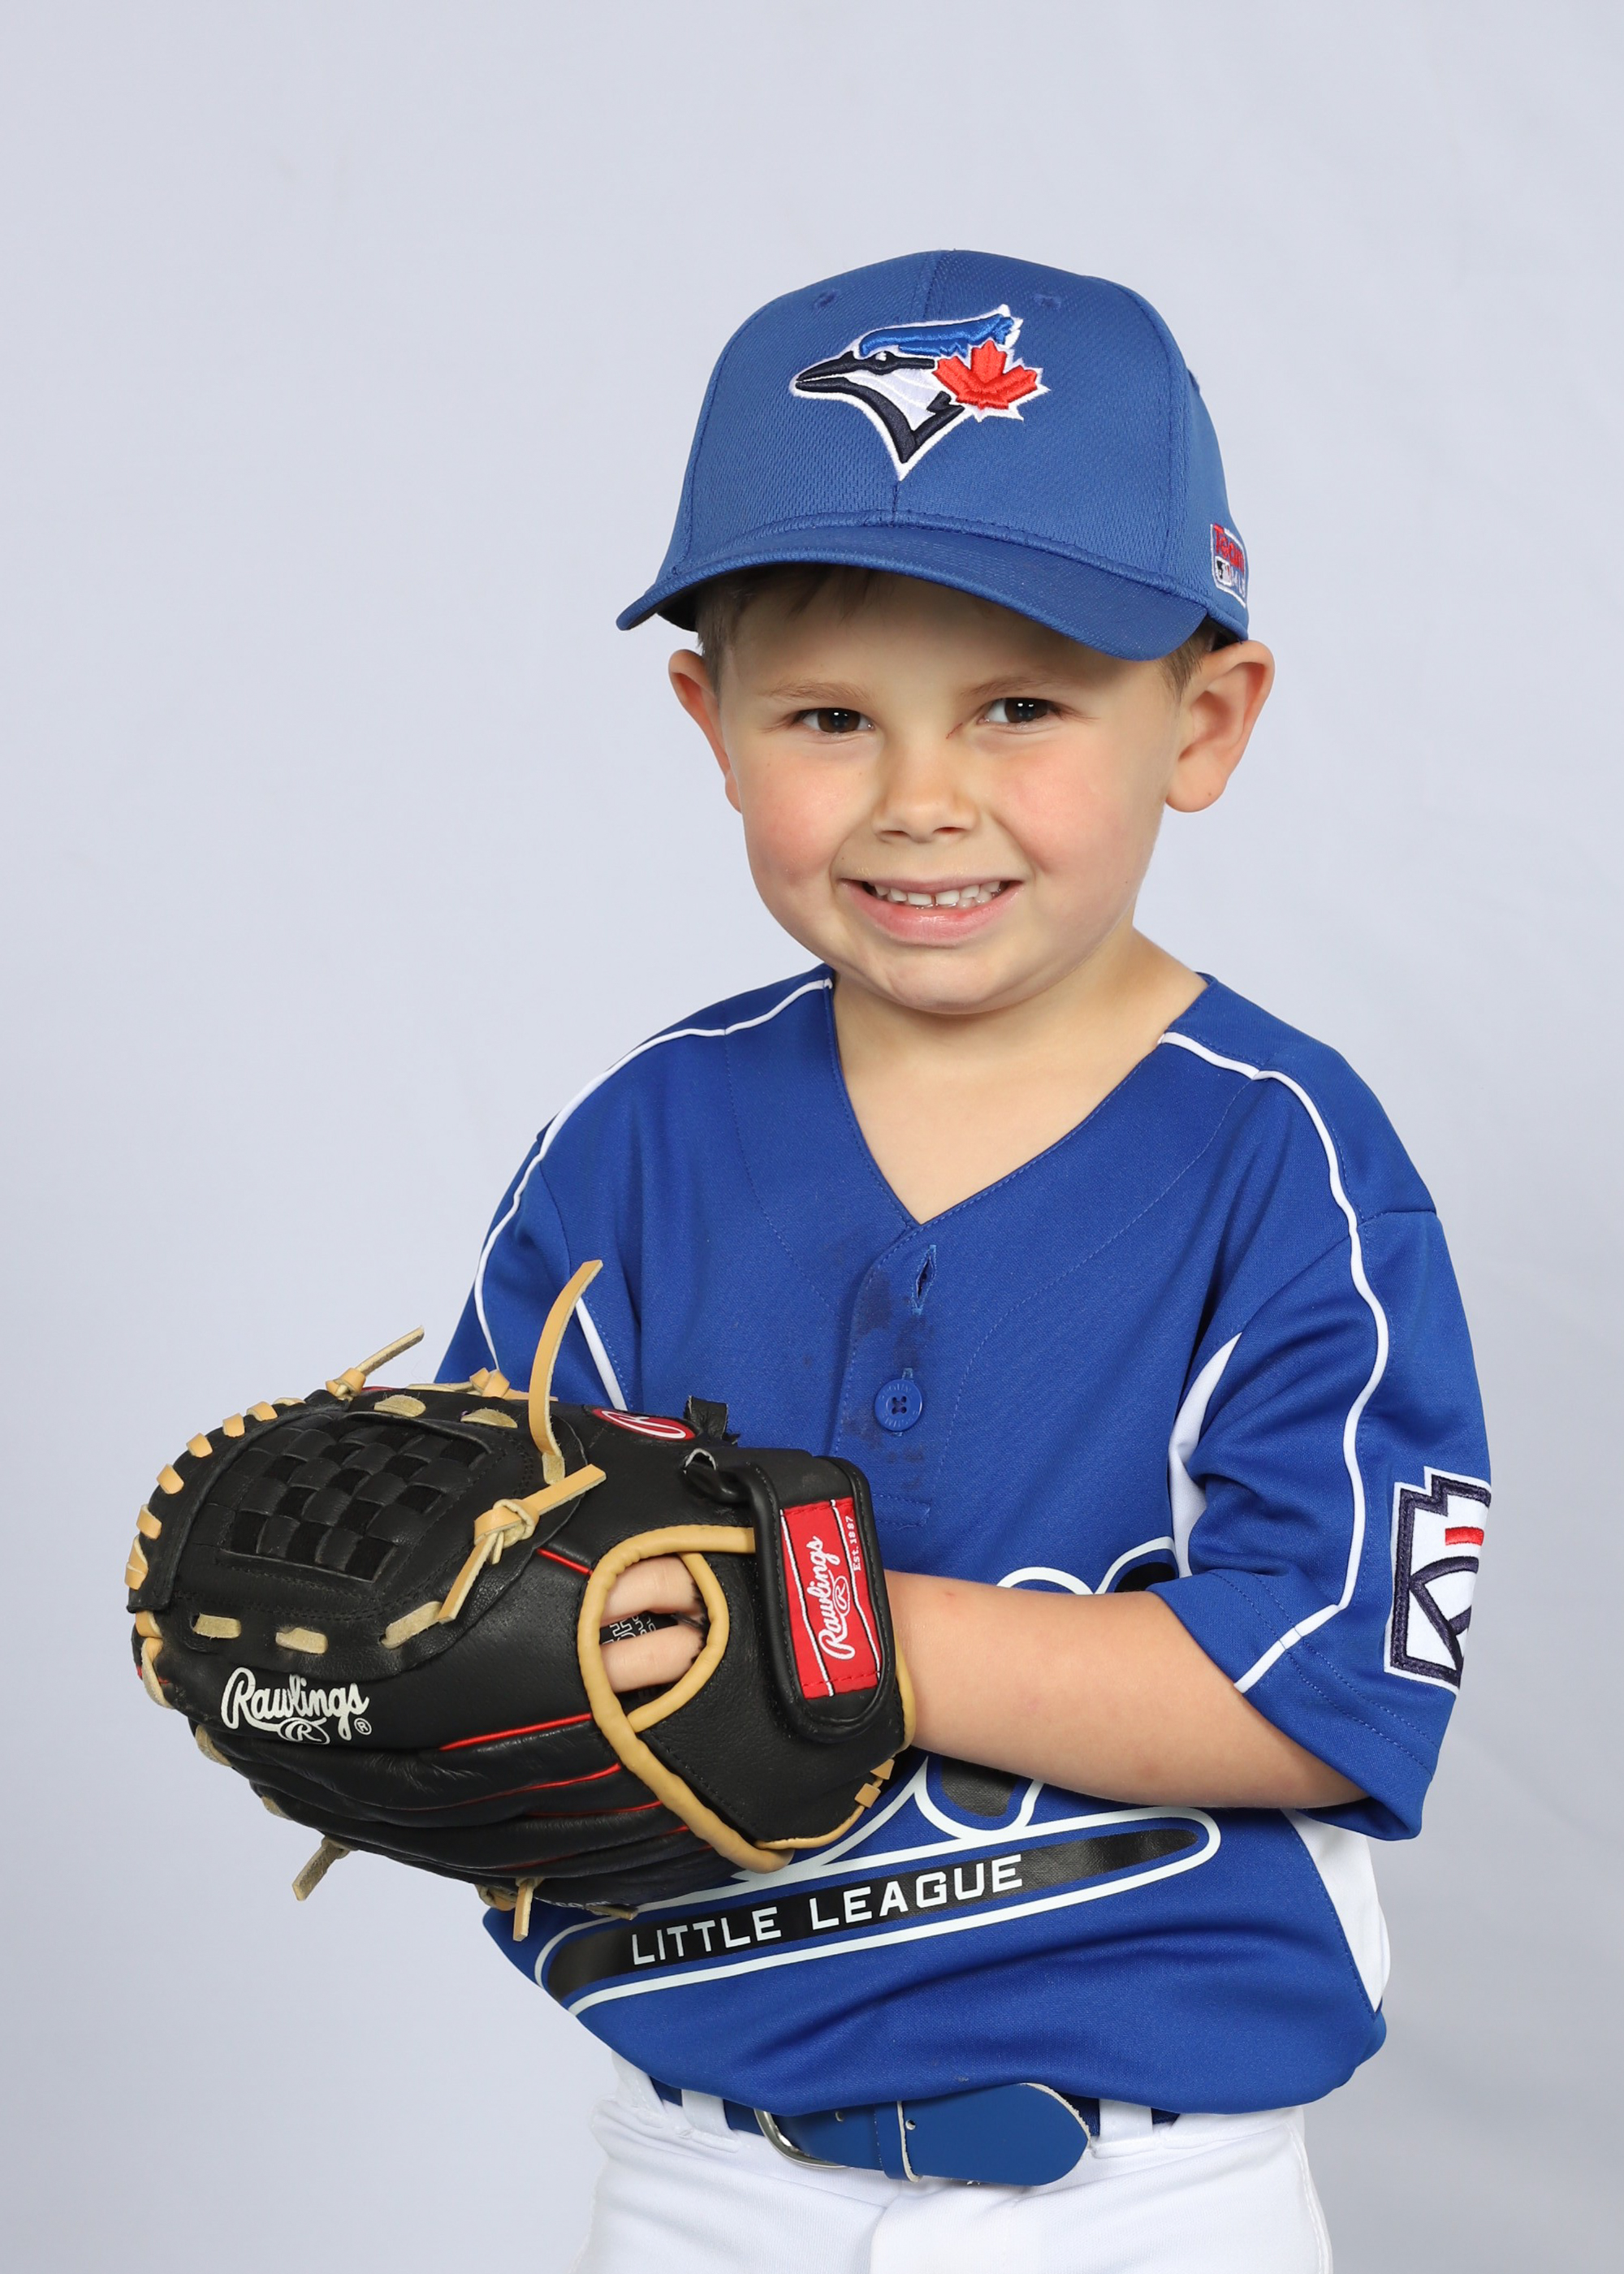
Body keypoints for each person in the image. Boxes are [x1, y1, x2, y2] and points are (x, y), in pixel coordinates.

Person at [444, 251, 1488, 2273]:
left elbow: (1322, 1692)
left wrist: (810, 1629)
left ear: (1202, 718)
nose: (922, 798)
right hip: (702, 2176)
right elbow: (505, 1612)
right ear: (712, 723)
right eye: (831, 714)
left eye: (1020, 705)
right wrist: (411, 1663)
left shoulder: (1287, 1161)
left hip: (1142, 2195)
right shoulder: (635, 1146)